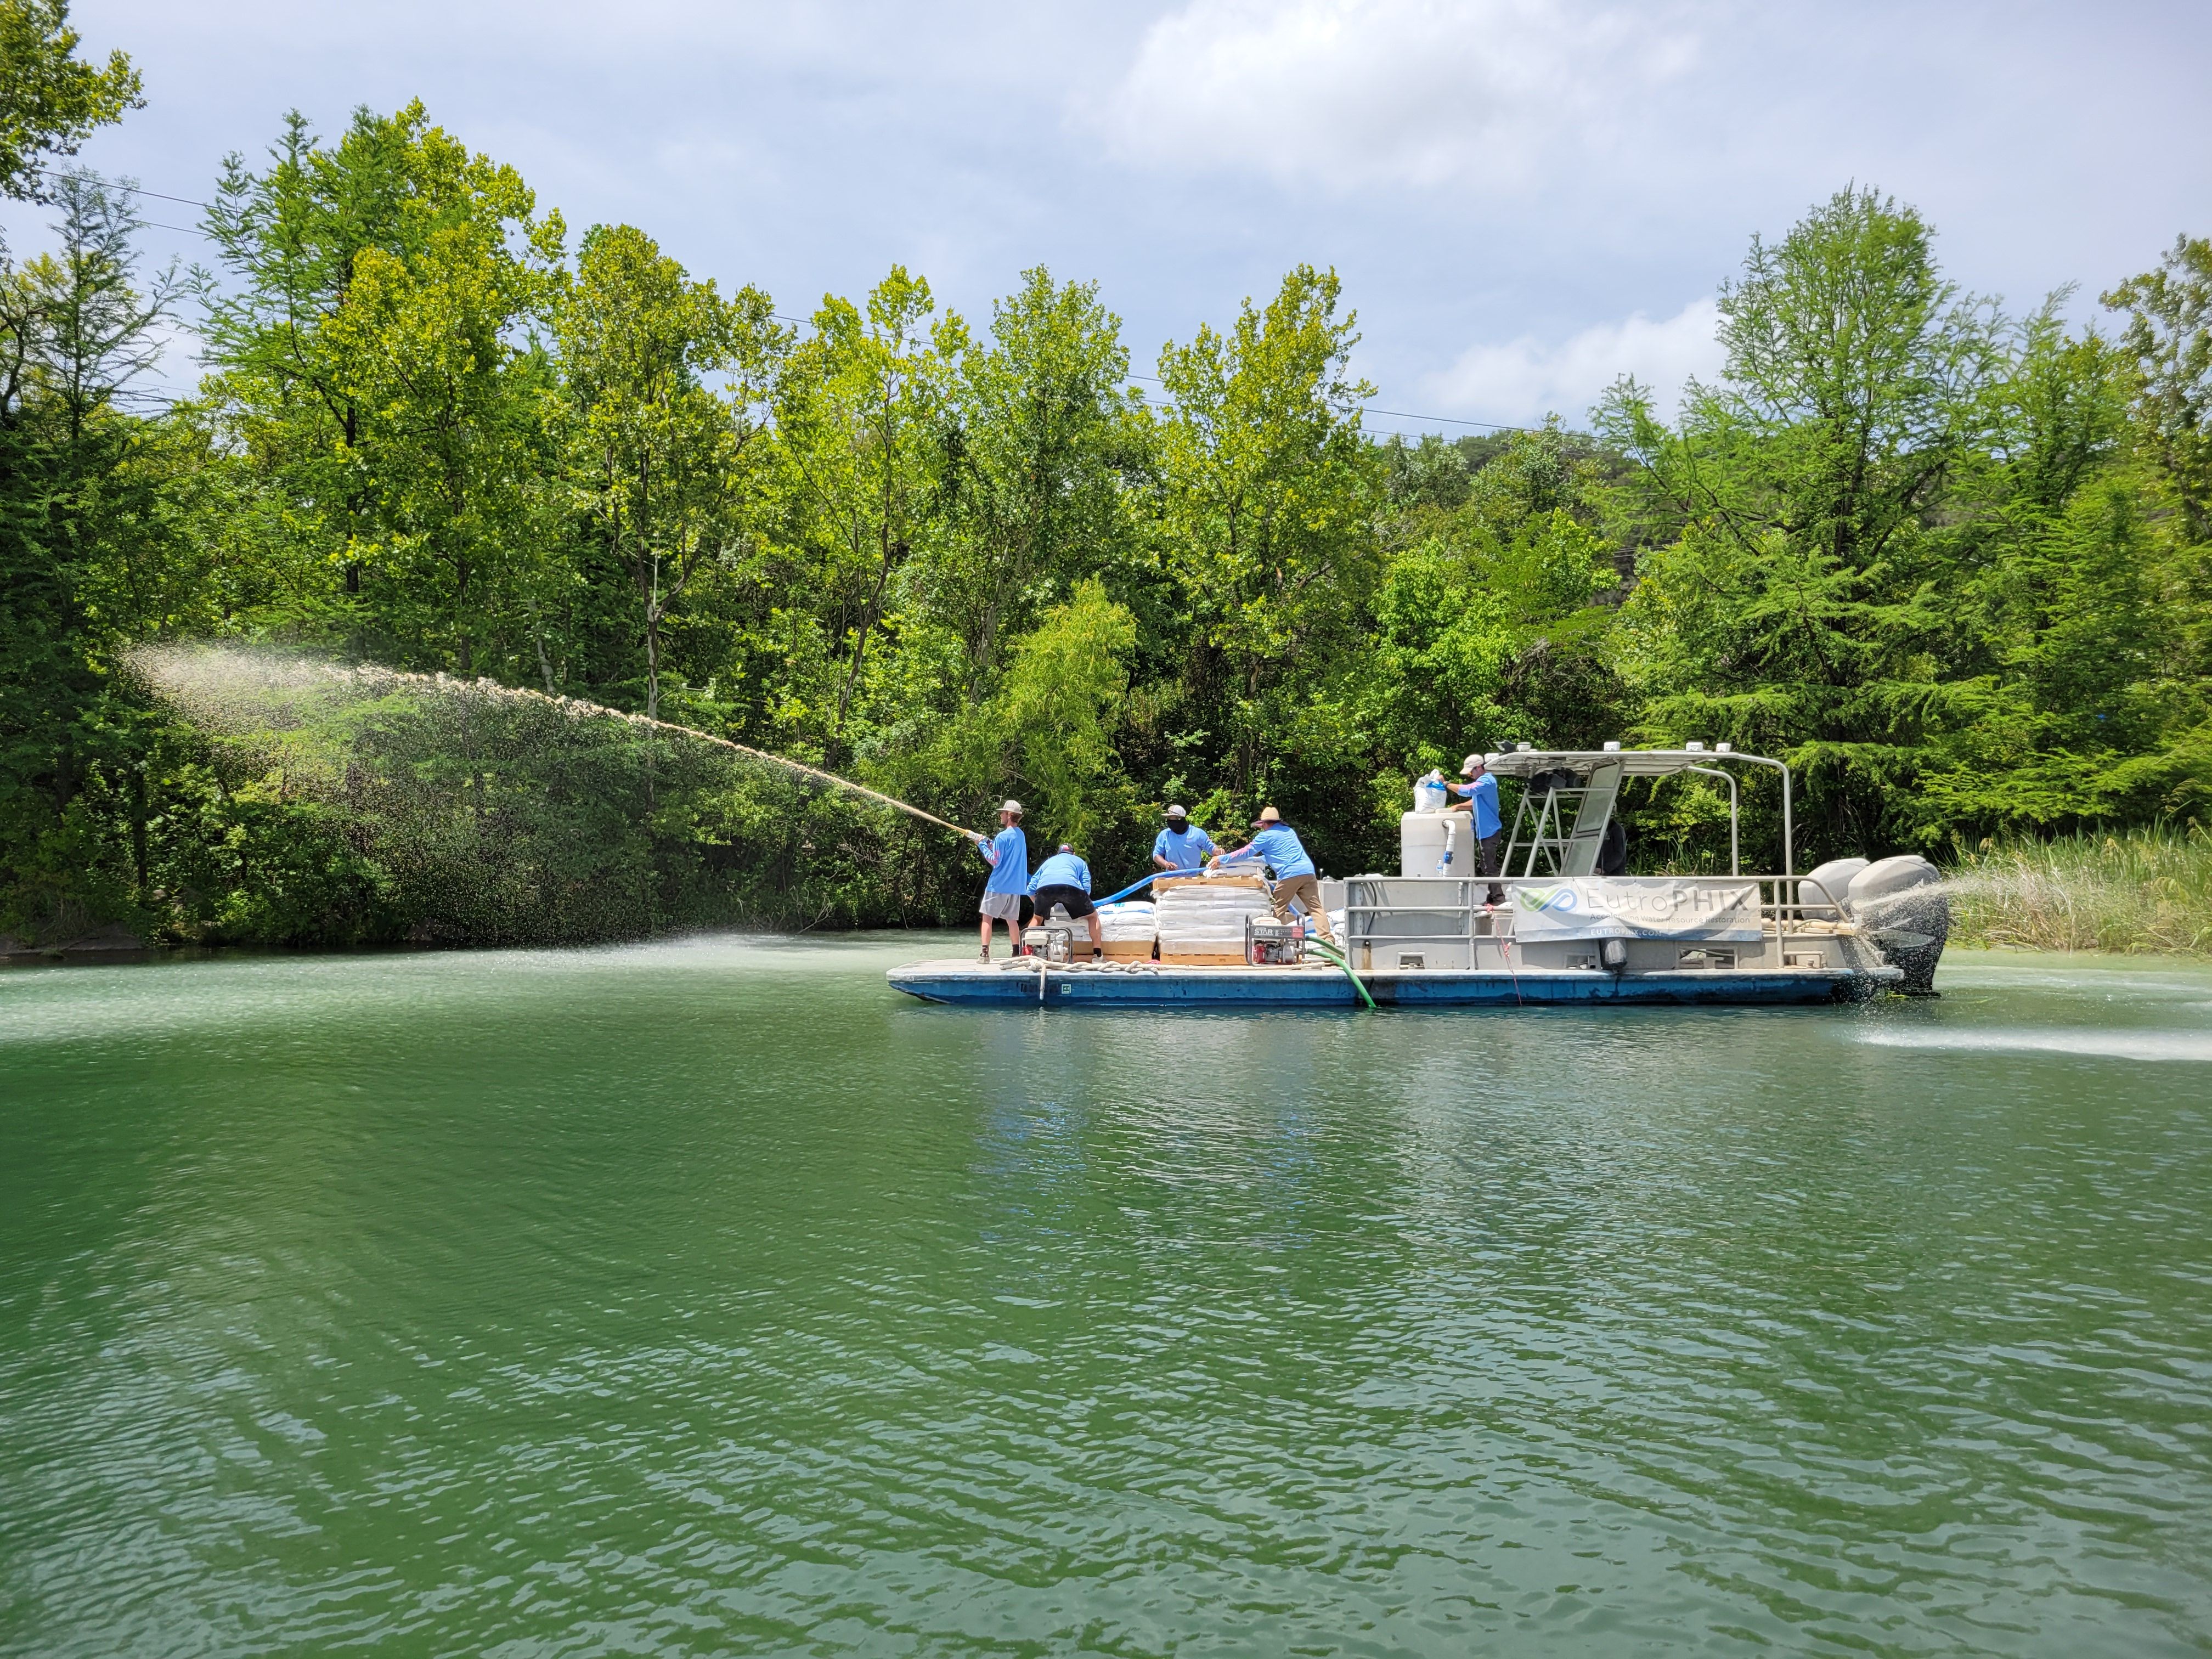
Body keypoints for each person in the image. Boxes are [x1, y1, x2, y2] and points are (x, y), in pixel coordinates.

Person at [1211, 806, 1335, 942]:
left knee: (1278, 909)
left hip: (1289, 875)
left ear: (1264, 824)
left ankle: (1273, 942)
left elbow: (1245, 852)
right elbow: (1276, 855)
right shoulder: (1289, 831)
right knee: (1316, 908)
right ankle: (1328, 941)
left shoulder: (1265, 836)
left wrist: (1222, 859)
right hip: (1308, 872)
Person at [1440, 754, 1507, 906]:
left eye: (1471, 772)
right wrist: (1458, 807)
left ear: (1478, 768)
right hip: (1485, 832)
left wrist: (1446, 784)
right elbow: (1474, 801)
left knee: (1489, 866)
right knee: (1485, 866)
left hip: (1490, 830)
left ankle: (1498, 898)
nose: (1471, 776)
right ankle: (1492, 898)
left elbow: (1468, 790)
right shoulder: (1483, 783)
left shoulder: (1487, 780)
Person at [972, 799, 1030, 961]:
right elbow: (1005, 854)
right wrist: (990, 843)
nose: (1001, 815)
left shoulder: (1002, 837)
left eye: (1003, 813)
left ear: (1010, 816)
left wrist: (982, 845)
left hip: (998, 885)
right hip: (1015, 887)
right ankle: (1016, 953)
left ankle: (985, 955)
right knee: (1012, 920)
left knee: (987, 919)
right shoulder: (1021, 835)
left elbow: (995, 861)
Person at [1028, 842, 1104, 959]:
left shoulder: (1048, 862)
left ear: (1058, 853)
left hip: (1045, 889)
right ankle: (1098, 954)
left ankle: (1028, 951)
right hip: (1070, 888)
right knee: (1093, 916)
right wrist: (1082, 907)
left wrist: (1039, 906)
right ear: (1073, 853)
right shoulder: (1080, 861)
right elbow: (1086, 887)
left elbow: (1030, 889)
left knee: (1037, 918)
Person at [1151, 804, 1216, 872]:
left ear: (1179, 819)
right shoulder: (1165, 835)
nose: (1169, 822)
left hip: (1193, 879)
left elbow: (1212, 848)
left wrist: (1219, 852)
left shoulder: (1197, 833)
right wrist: (1166, 864)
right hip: (1171, 880)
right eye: (1168, 819)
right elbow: (1156, 855)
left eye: (1171, 819)